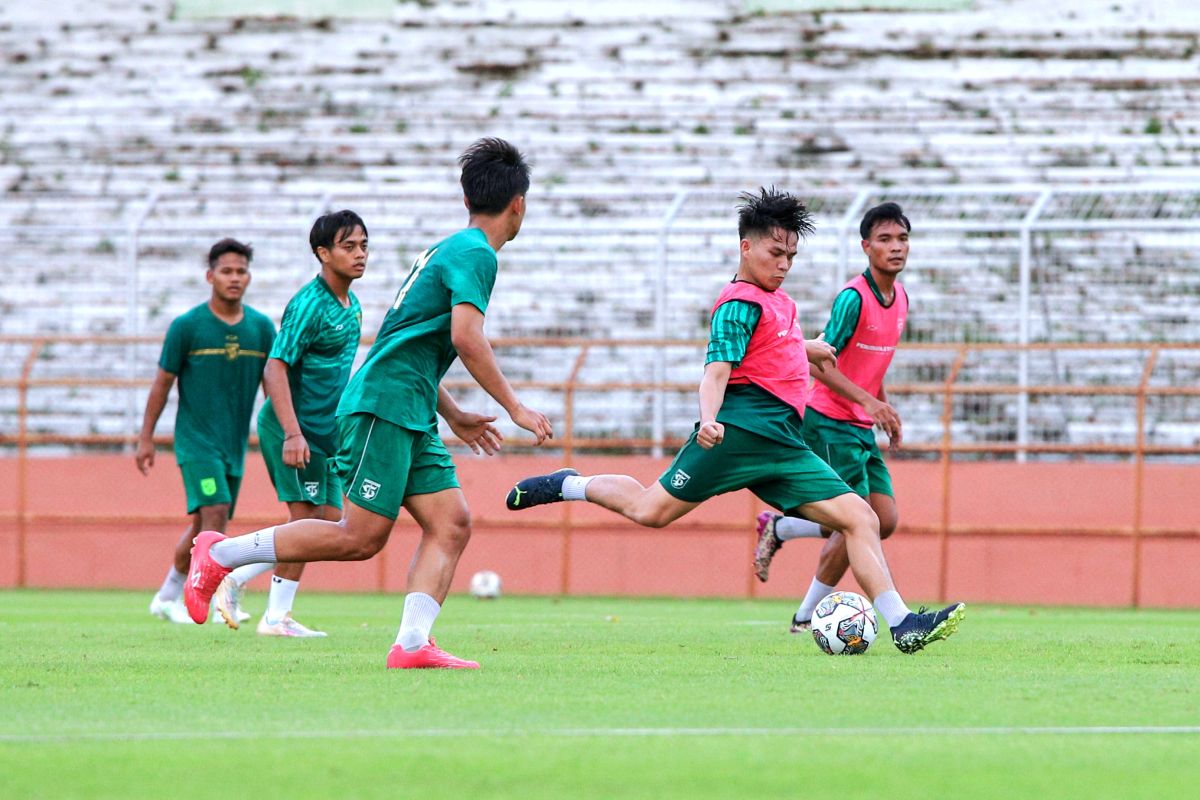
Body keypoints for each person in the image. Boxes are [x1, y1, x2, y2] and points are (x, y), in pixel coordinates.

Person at [506, 189, 964, 654]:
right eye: (775, 252)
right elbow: (717, 371)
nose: (784, 264)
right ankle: (570, 484)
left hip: (785, 443)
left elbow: (773, 341)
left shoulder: (780, 302)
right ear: (746, 247)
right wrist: (708, 419)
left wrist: (806, 347)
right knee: (650, 511)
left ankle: (902, 623)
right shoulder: (736, 304)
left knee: (861, 518)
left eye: (791, 255)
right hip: (737, 434)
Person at [180, 137, 553, 669]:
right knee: (359, 536)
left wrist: (452, 413)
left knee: (451, 521)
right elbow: (467, 336)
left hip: (410, 406)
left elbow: (409, 341)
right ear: (518, 203)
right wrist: (514, 406)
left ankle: (412, 645)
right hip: (385, 407)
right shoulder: (476, 254)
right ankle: (219, 554)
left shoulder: (452, 248)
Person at [752, 202, 912, 634]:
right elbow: (823, 363)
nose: (895, 248)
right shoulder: (853, 298)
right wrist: (870, 403)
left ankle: (782, 528)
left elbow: (870, 364)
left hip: (860, 423)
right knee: (853, 522)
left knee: (885, 519)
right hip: (827, 419)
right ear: (866, 247)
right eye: (885, 239)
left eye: (901, 239)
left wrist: (884, 407)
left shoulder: (900, 300)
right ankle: (805, 618)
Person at [212, 210, 368, 638]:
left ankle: (235, 575)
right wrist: (293, 432)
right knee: (306, 522)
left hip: (324, 434)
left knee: (332, 526)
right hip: (293, 430)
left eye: (363, 246)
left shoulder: (351, 304)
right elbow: (275, 368)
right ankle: (273, 615)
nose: (359, 255)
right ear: (323, 253)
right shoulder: (308, 304)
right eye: (348, 246)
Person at [136, 238, 276, 625]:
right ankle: (212, 600)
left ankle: (166, 596)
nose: (235, 278)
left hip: (233, 444)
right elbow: (162, 384)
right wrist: (146, 438)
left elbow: (273, 386)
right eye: (227, 271)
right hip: (196, 442)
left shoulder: (262, 328)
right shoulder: (187, 326)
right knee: (214, 513)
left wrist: (282, 433)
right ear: (210, 275)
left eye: (241, 271)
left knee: (204, 526)